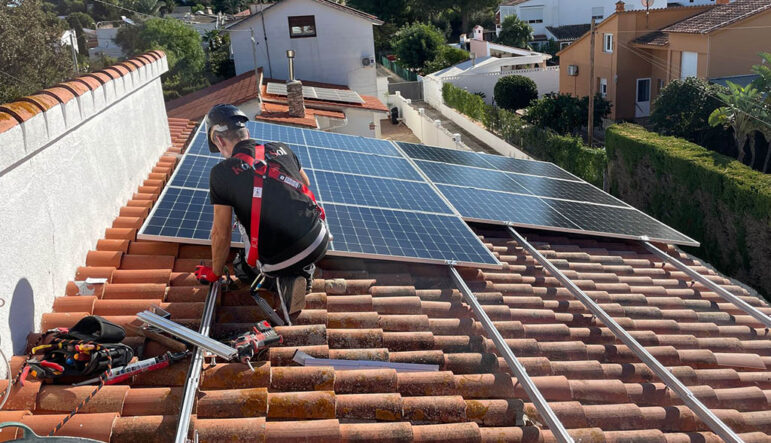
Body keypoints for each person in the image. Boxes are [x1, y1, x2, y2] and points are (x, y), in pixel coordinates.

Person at [194, 104, 329, 317]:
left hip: (281, 260)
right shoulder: (281, 147)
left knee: (242, 264)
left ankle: (283, 282)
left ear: (219, 140)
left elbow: (221, 233)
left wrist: (215, 273)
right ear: (246, 133)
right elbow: (305, 183)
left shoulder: (221, 173)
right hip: (319, 240)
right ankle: (306, 269)